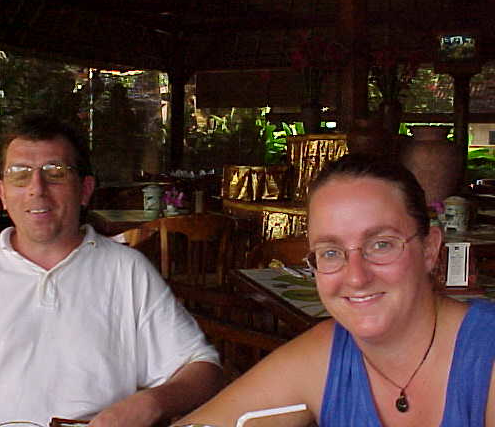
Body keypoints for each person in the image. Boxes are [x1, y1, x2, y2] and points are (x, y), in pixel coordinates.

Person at [0, 113, 223, 427]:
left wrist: (150, 404)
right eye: (20, 174)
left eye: (56, 172)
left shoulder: (126, 271)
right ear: (1, 192)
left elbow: (202, 368)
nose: (37, 189)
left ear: (85, 189)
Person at [177, 153, 495, 427]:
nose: (356, 277)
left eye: (381, 244)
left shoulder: (485, 353)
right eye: (330, 252)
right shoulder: (327, 354)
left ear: (429, 250)